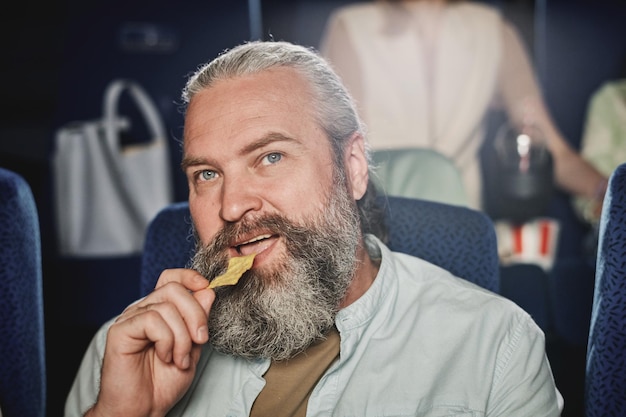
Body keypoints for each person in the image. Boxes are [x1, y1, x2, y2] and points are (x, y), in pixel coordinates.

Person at [65, 40, 563, 416]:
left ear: (353, 167)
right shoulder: (127, 353)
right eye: (207, 174)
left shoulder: (496, 347)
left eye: (270, 156)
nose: (232, 204)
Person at [319, 0, 607, 215]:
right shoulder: (352, 27)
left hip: (462, 224)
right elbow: (341, 154)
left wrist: (610, 194)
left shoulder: (494, 30)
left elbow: (552, 150)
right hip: (381, 223)